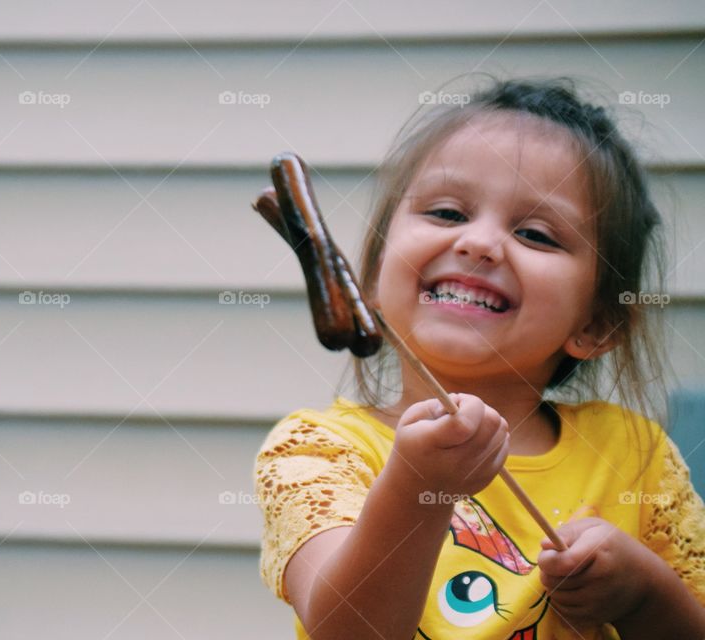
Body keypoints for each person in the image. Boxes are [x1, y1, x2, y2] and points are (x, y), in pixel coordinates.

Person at [254, 76, 705, 639]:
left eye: (537, 234)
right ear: (368, 278)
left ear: (595, 324)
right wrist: (418, 490)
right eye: (446, 213)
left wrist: (644, 594)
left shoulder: (635, 457)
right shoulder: (319, 453)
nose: (479, 243)